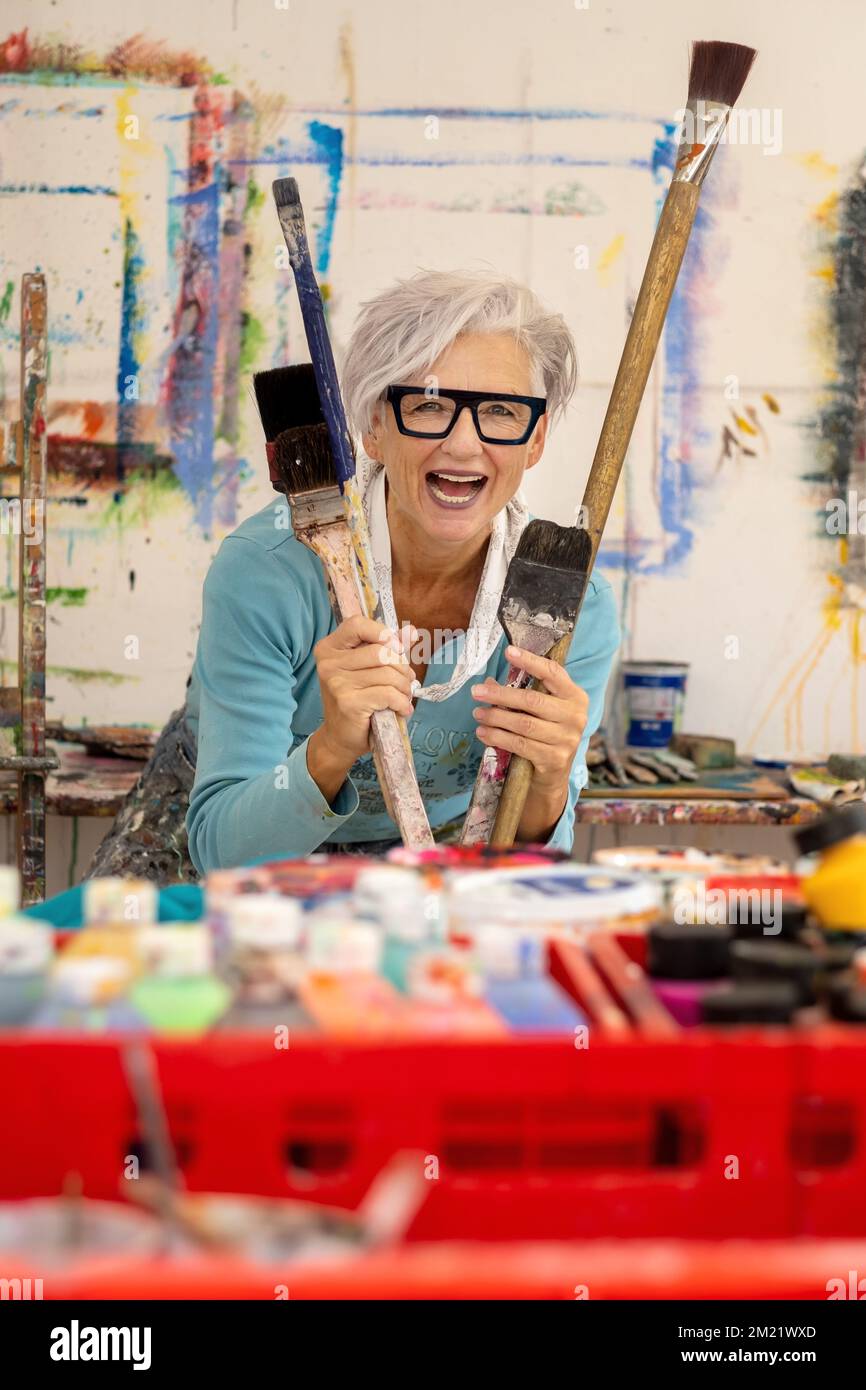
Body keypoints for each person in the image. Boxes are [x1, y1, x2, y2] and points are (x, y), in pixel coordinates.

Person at [186, 269, 620, 874]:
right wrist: (333, 746)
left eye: (499, 411)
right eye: (430, 405)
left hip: (436, 865)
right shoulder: (270, 571)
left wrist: (548, 783)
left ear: (536, 438)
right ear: (372, 428)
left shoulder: (570, 606)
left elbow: (522, 878)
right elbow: (222, 855)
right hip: (255, 845)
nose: (465, 447)